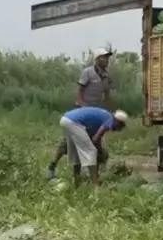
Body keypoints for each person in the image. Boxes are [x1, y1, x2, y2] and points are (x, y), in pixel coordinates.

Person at [46, 48, 113, 180]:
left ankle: (94, 176)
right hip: (80, 111)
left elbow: (107, 94)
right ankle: (52, 165)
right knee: (68, 143)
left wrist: (106, 109)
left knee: (96, 142)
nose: (107, 60)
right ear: (97, 59)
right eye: (104, 57)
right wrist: (82, 105)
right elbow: (79, 90)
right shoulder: (88, 72)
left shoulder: (106, 76)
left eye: (107, 58)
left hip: (94, 114)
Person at [58, 106, 128, 188]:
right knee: (91, 152)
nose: (115, 130)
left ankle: (76, 182)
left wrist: (98, 149)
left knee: (77, 155)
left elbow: (95, 138)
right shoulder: (110, 120)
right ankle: (95, 185)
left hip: (66, 119)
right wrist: (99, 151)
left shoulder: (105, 115)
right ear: (117, 121)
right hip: (74, 122)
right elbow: (96, 138)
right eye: (118, 127)